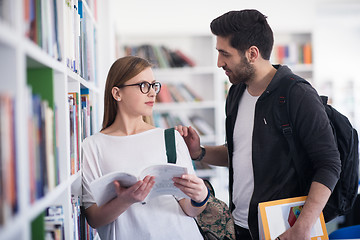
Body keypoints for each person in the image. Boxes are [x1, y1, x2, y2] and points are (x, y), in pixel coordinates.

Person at [176, 9, 341, 240]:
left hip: (286, 229)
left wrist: (303, 226)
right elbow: (239, 152)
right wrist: (200, 152)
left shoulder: (297, 93)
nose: (219, 62)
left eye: (225, 53)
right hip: (241, 226)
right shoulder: (236, 92)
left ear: (252, 53)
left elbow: (329, 164)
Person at [81, 56, 209, 239]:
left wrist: (200, 197)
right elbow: (94, 218)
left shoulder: (171, 138)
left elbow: (189, 210)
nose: (152, 93)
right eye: (143, 85)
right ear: (117, 93)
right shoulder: (92, 147)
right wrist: (126, 200)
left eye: (154, 85)